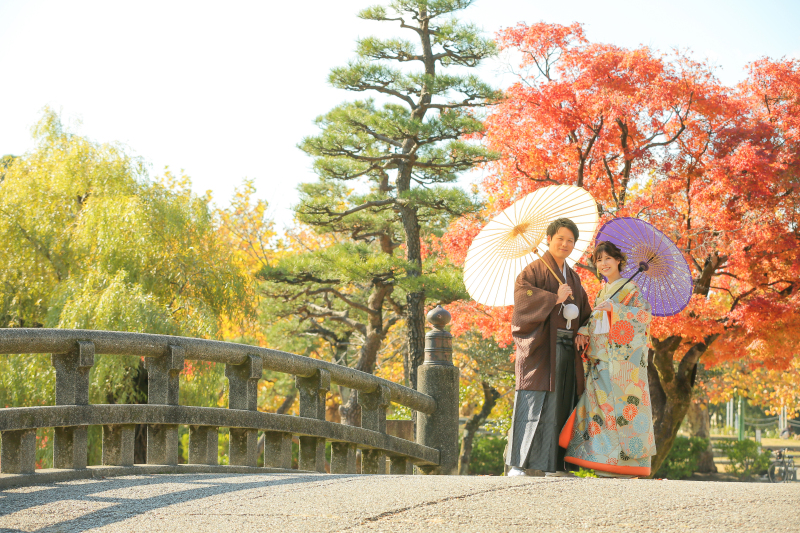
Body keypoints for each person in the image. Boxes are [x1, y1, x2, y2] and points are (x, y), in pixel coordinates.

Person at [558, 240, 656, 478]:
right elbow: (595, 321)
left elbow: (643, 317)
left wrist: (616, 310)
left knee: (619, 409)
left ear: (618, 261)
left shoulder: (630, 289)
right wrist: (583, 330)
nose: (603, 264)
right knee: (599, 410)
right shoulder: (603, 290)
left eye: (607, 259)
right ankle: (604, 461)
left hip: (622, 365)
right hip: (601, 359)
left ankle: (626, 464)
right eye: (598, 260)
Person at [506, 218, 592, 477]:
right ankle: (518, 464)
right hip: (541, 349)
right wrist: (554, 298)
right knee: (533, 403)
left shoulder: (573, 277)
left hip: (567, 350)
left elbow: (586, 313)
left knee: (562, 404)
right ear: (549, 239)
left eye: (570, 241)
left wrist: (584, 331)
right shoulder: (532, 271)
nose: (565, 244)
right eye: (560, 239)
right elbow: (522, 303)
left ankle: (557, 464)